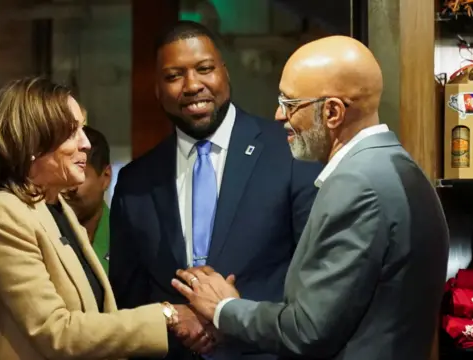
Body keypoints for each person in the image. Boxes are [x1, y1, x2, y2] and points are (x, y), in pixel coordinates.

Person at [172, 35, 450, 360]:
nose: (278, 115)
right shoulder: (398, 166)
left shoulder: (357, 185)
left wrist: (224, 308)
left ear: (332, 113)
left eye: (289, 104)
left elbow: (307, 331)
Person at [0, 77, 215, 360]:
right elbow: (56, 332)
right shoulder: (2, 213)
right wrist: (167, 315)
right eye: (71, 132)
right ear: (32, 141)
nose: (86, 143)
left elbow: (93, 315)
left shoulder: (57, 208)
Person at [109, 20, 323, 360]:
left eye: (204, 69)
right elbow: (128, 295)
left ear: (225, 73)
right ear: (157, 90)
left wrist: (230, 319)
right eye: (174, 76)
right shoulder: (136, 182)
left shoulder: (289, 152)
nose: (192, 85)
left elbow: (317, 277)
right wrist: (176, 322)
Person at [63, 125, 112, 272]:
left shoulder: (127, 239)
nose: (65, 187)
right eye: (62, 173)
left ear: (105, 177)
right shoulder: (43, 232)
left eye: (78, 172)